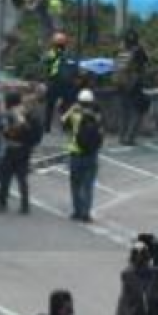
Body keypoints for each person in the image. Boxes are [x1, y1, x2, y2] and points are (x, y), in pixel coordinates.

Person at [62, 89, 103, 222]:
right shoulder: (97, 116)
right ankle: (86, 212)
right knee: (88, 185)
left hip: (76, 152)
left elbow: (63, 122)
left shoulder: (75, 115)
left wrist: (71, 109)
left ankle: (77, 211)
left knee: (75, 184)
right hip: (92, 154)